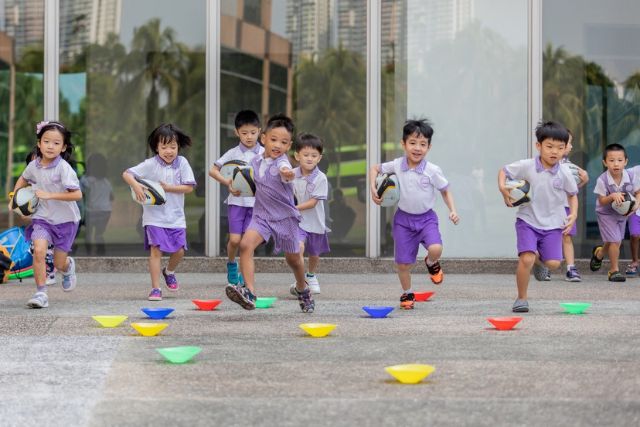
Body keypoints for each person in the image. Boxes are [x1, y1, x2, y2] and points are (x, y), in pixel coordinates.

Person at [225, 113, 315, 313]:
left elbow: (285, 170)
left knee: (293, 260)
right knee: (246, 245)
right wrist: (234, 187)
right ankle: (249, 292)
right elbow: (250, 184)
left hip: (285, 218)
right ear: (263, 138)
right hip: (262, 216)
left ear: (289, 146)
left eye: (283, 142)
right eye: (273, 139)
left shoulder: (282, 164)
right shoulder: (255, 162)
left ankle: (302, 288)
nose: (277, 145)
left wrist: (288, 173)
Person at [369, 119, 460, 310]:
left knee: (436, 248)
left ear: (429, 146)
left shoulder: (432, 170)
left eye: (422, 144)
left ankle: (431, 262)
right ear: (403, 144)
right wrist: (373, 187)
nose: (417, 148)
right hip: (403, 220)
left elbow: (445, 190)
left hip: (426, 219)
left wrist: (452, 210)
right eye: (412, 143)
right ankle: (407, 292)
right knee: (403, 264)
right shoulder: (397, 164)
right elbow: (374, 168)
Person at [498, 121, 578, 313]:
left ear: (565, 148)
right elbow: (504, 171)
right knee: (526, 258)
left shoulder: (565, 172)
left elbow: (572, 194)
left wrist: (573, 214)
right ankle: (521, 298)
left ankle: (539, 261)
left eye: (560, 148)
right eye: (549, 146)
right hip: (528, 220)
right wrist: (503, 188)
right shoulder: (527, 166)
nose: (554, 152)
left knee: (553, 263)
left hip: (553, 224)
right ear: (538, 146)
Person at [8, 121, 82, 308]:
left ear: (63, 147)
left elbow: (77, 194)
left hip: (66, 221)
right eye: (46, 141)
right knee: (39, 251)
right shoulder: (34, 166)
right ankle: (41, 293)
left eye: (56, 143)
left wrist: (50, 195)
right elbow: (23, 179)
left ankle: (67, 267)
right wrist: (14, 197)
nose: (51, 146)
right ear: (39, 143)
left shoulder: (64, 168)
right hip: (42, 219)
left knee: (58, 262)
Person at [122, 123, 196, 301]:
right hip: (153, 217)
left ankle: (169, 271)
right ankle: (156, 289)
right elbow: (127, 174)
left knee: (179, 251)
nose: (169, 151)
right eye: (164, 147)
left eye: (173, 146)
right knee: (156, 251)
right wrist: (136, 186)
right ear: (156, 147)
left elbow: (189, 188)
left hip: (176, 217)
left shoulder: (182, 163)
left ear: (178, 146)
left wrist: (169, 188)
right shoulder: (150, 164)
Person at [209, 110, 263, 285]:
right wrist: (226, 182)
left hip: (257, 205)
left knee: (248, 244)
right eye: (244, 133)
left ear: (259, 131)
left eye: (253, 133)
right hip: (236, 203)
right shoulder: (232, 153)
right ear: (236, 133)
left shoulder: (264, 153)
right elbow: (213, 170)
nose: (249, 137)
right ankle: (232, 265)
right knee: (235, 240)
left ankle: (247, 281)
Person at [535, 130, 589, 282]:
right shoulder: (541, 165)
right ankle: (544, 264)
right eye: (568, 143)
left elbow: (573, 190)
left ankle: (571, 268)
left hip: (565, 207)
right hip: (548, 207)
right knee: (547, 236)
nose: (570, 146)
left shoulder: (571, 168)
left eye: (568, 143)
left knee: (566, 237)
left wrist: (584, 180)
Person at [589, 143, 640, 282]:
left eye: (619, 160)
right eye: (611, 161)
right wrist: (612, 196)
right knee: (616, 241)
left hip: (622, 214)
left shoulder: (630, 176)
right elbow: (602, 200)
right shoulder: (602, 180)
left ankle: (599, 254)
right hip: (605, 214)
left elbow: (637, 192)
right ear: (605, 162)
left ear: (626, 162)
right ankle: (613, 270)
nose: (616, 164)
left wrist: (636, 205)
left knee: (613, 240)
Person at [288, 133, 330, 295]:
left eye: (314, 155)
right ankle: (301, 280)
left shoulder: (321, 178)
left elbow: (313, 203)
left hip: (316, 222)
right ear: (297, 156)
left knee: (314, 253)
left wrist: (294, 208)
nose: (310, 159)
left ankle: (311, 275)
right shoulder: (291, 175)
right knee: (298, 247)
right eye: (306, 155)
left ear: (320, 158)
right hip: (299, 222)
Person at [80, 153, 113, 255]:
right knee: (99, 234)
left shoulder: (85, 181)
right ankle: (101, 253)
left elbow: (80, 194)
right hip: (105, 211)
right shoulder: (106, 182)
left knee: (88, 234)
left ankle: (89, 254)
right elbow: (112, 197)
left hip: (91, 211)